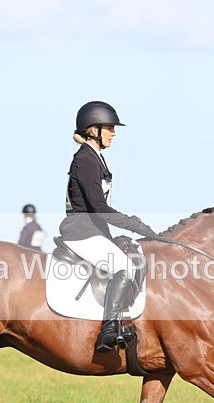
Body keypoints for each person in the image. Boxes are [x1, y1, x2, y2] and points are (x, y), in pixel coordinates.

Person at [59, 101, 158, 353]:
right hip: (81, 232)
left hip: (93, 231)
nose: (114, 133)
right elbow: (99, 208)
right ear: (94, 129)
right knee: (123, 267)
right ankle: (108, 330)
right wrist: (134, 224)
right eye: (110, 128)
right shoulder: (86, 160)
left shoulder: (95, 158)